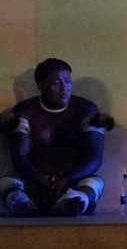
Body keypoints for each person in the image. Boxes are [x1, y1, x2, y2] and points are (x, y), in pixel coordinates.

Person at [0, 59, 112, 217]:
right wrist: (40, 180)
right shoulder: (25, 110)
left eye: (67, 81)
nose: (64, 88)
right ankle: (22, 203)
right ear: (40, 86)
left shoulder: (85, 109)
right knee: (5, 182)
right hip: (35, 184)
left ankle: (73, 202)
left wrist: (66, 179)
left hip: (72, 183)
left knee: (95, 182)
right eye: (55, 83)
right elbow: (19, 155)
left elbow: (94, 158)